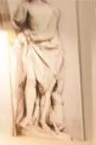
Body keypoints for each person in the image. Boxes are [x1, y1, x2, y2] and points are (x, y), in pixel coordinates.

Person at [11, 0, 66, 137]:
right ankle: (29, 117)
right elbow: (17, 20)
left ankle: (42, 120)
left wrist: (32, 35)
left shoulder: (53, 9)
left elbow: (51, 32)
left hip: (50, 51)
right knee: (30, 81)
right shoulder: (26, 7)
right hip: (33, 49)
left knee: (46, 91)